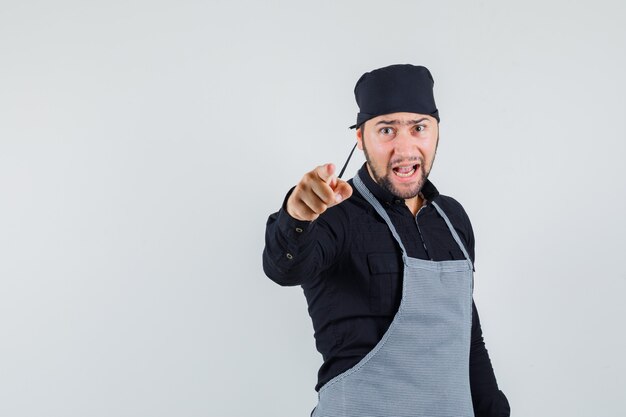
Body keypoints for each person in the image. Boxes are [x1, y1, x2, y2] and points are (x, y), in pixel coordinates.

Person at [262, 64, 510, 417]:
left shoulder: (453, 219)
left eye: (419, 128)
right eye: (387, 130)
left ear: (437, 132)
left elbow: (467, 340)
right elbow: (283, 266)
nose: (405, 148)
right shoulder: (334, 215)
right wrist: (298, 215)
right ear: (361, 138)